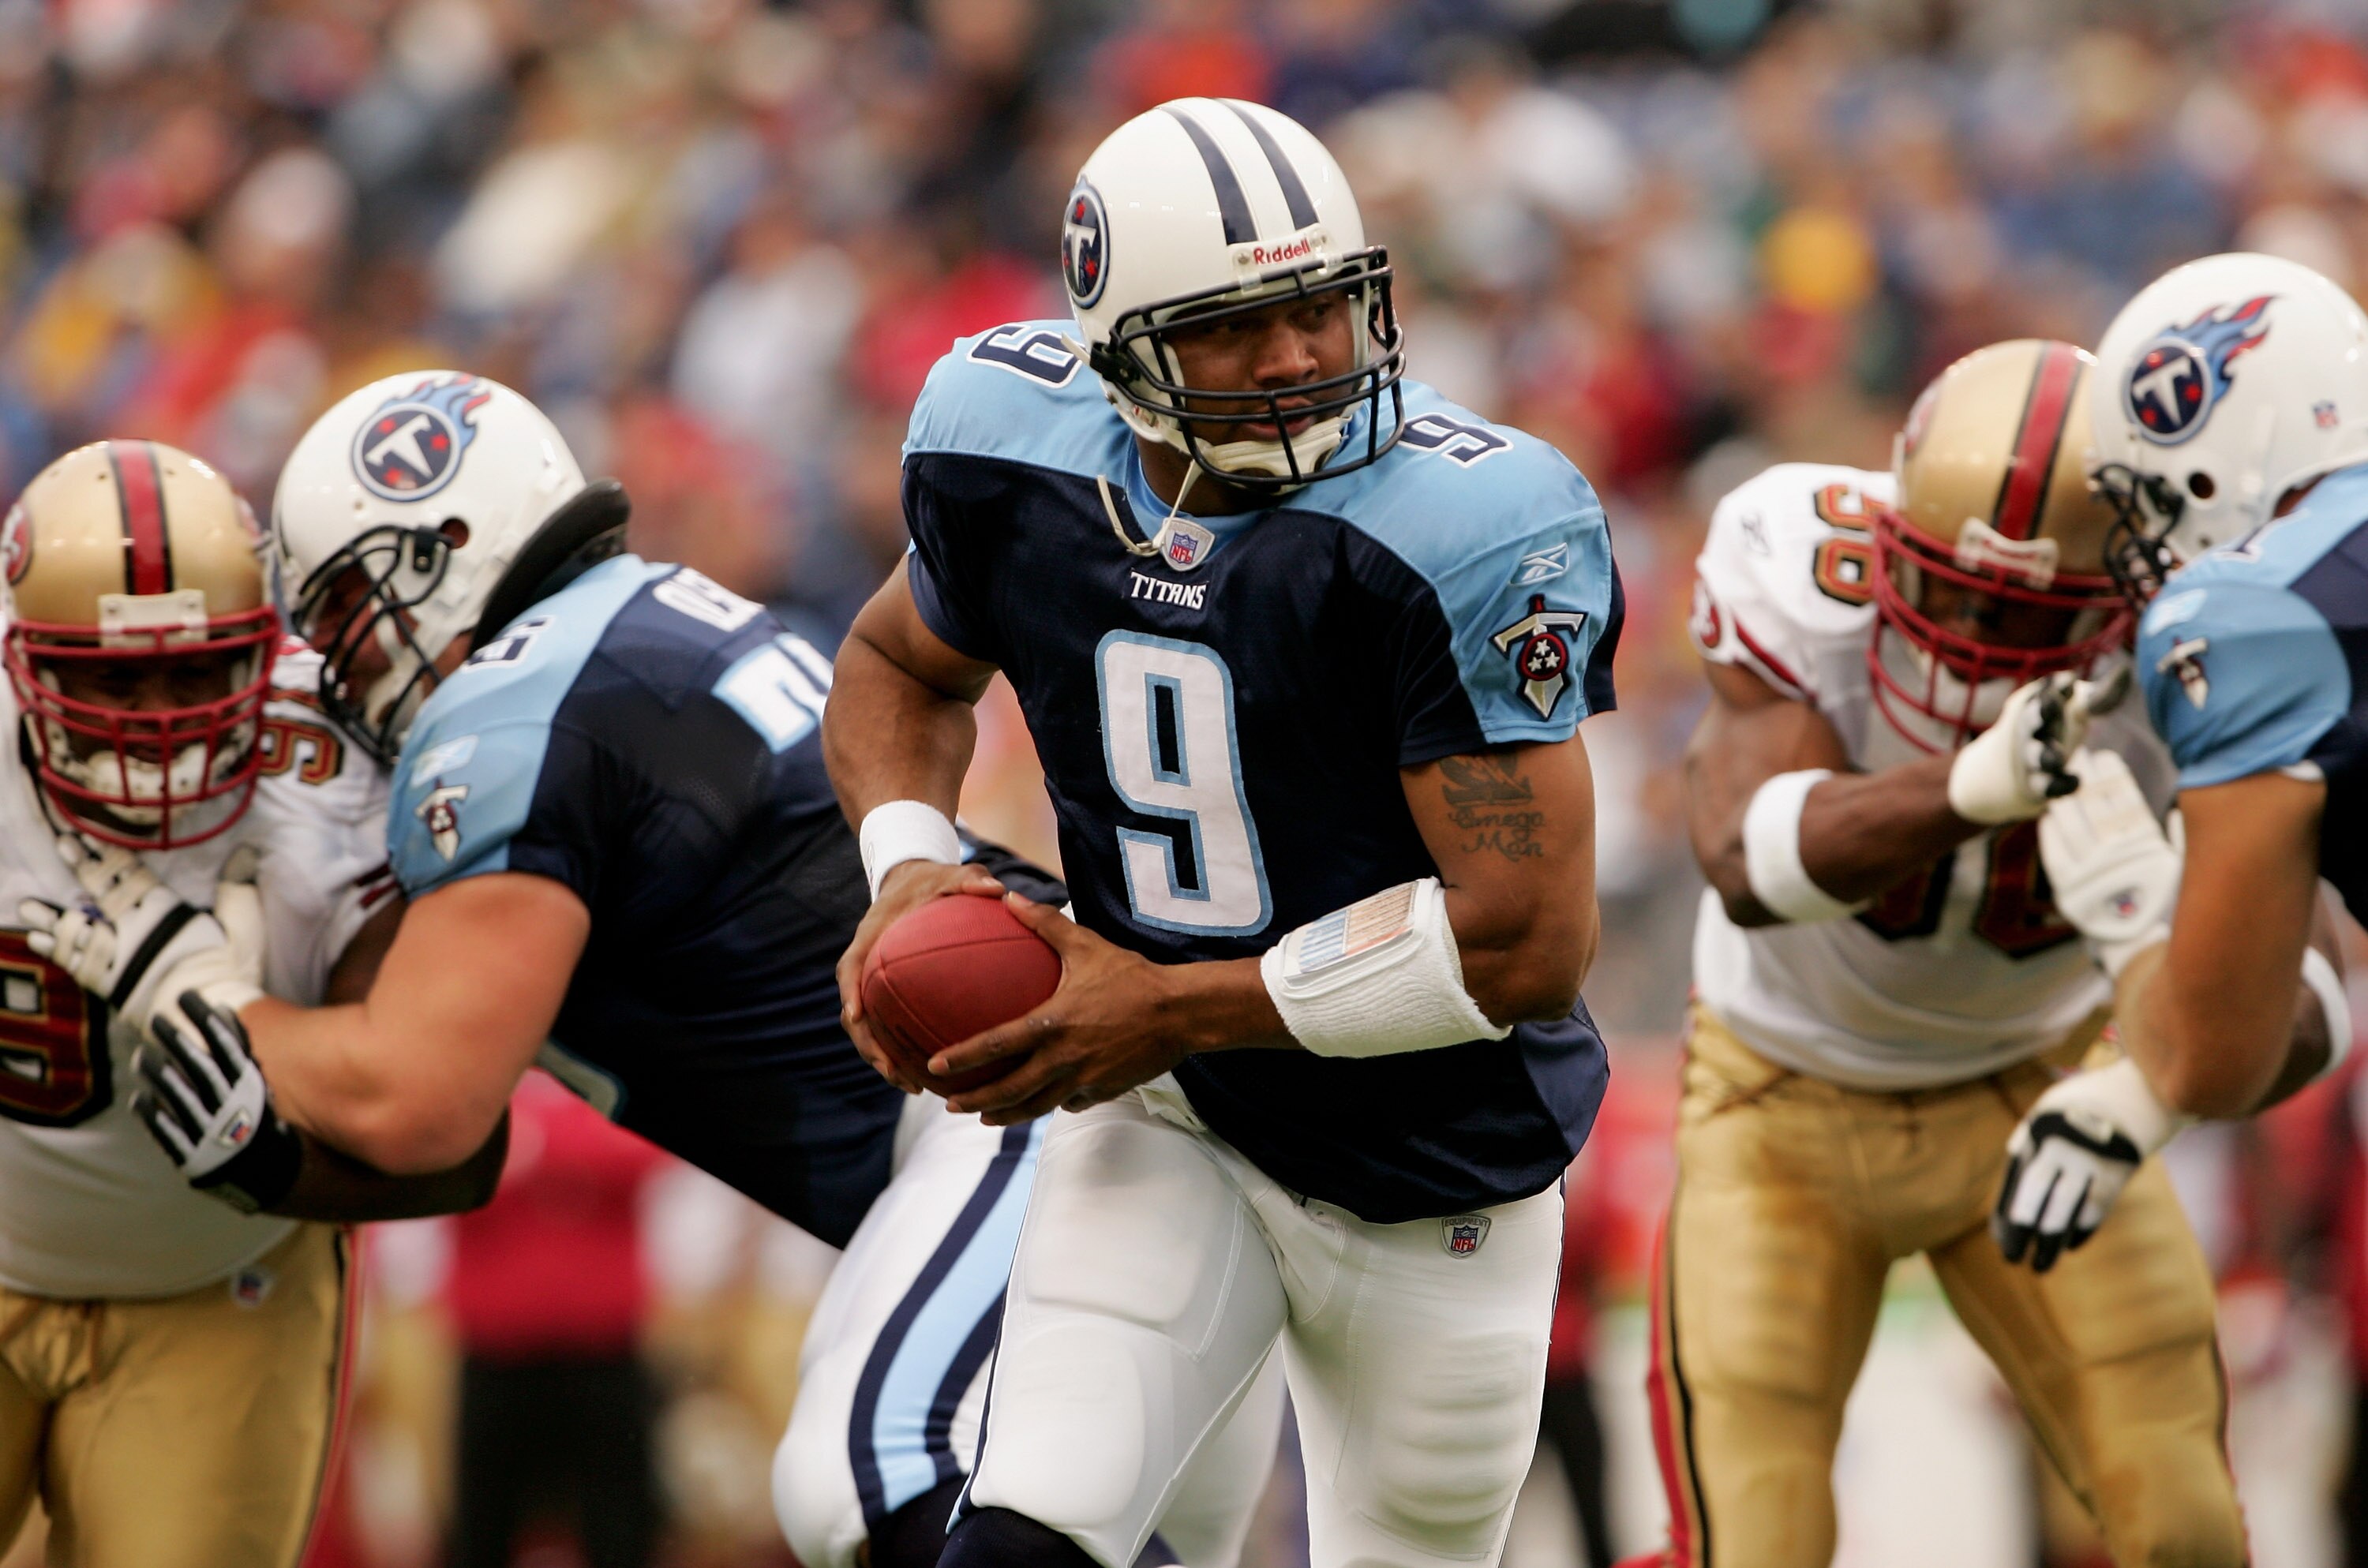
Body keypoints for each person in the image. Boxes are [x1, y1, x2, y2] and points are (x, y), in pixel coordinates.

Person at [97, 372, 1277, 1568]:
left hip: (1028, 1109)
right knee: (1102, 1532)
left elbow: (421, 1098)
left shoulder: (507, 707)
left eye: (350, 605)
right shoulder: (630, 620)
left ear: (440, 551)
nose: (342, 662)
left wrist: (185, 995)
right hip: (1099, 1097)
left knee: (878, 1469)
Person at [826, 97, 1619, 1568]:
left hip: (1439, 1165)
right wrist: (909, 861)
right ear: (1118, 348)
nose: (1301, 356)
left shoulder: (1466, 522)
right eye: (1236, 328)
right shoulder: (1014, 452)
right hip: (1176, 1119)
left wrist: (1165, 1003)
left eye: (1323, 305)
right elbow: (894, 666)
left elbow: (1525, 939)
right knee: (1020, 1543)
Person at [1629, 340, 2249, 1568]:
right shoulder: (1804, 569)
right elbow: (1745, 863)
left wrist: (2150, 1080)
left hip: (2039, 1090)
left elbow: (2308, 971)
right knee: (1751, 1538)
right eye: (1946, 591)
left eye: (2023, 613)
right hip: (1777, 1102)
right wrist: (1974, 786)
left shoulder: (2202, 653)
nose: (1969, 640)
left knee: (2184, 1524)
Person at [0, 440, 500, 1568]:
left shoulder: (343, 776)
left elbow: (461, 1142)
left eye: (196, 672)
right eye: (112, 679)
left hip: (218, 1290)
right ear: (24, 661)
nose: (158, 722)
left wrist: (268, 1155)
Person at [1991, 251, 2358, 1275]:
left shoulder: (2250, 612)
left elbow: (2215, 1055)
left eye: (2149, 501)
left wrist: (2130, 926)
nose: (2149, 541)